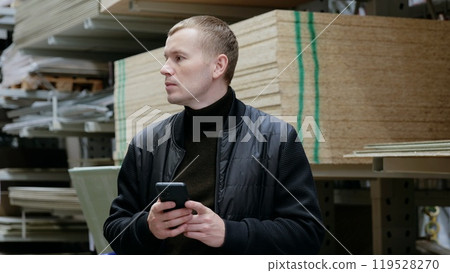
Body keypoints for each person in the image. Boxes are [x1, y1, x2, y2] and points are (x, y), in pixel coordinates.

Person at [104, 15, 324, 254]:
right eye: (166, 58)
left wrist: (230, 233)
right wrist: (148, 228)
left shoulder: (276, 139)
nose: (164, 68)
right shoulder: (146, 144)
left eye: (178, 58)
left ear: (218, 66)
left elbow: (307, 234)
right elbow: (115, 228)